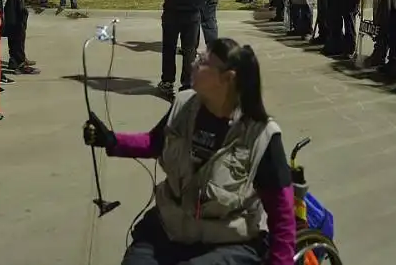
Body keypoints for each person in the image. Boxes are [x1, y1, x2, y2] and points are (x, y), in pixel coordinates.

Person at [83, 39, 296, 265]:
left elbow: (283, 216)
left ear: (227, 78)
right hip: (170, 230)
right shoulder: (184, 105)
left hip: (226, 243)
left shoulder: (261, 135)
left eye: (203, 61)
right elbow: (155, 142)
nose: (194, 62)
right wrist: (111, 140)